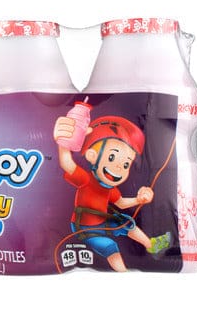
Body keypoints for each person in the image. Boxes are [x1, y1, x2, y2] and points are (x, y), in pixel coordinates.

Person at [54, 115, 171, 271]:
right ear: (92, 156)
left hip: (102, 221)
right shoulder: (86, 180)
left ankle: (151, 245)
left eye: (126, 164)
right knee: (110, 246)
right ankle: (123, 273)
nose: (118, 168)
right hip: (84, 227)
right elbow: (67, 163)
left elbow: (121, 203)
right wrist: (63, 143)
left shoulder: (110, 188)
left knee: (126, 222)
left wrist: (139, 200)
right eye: (111, 157)